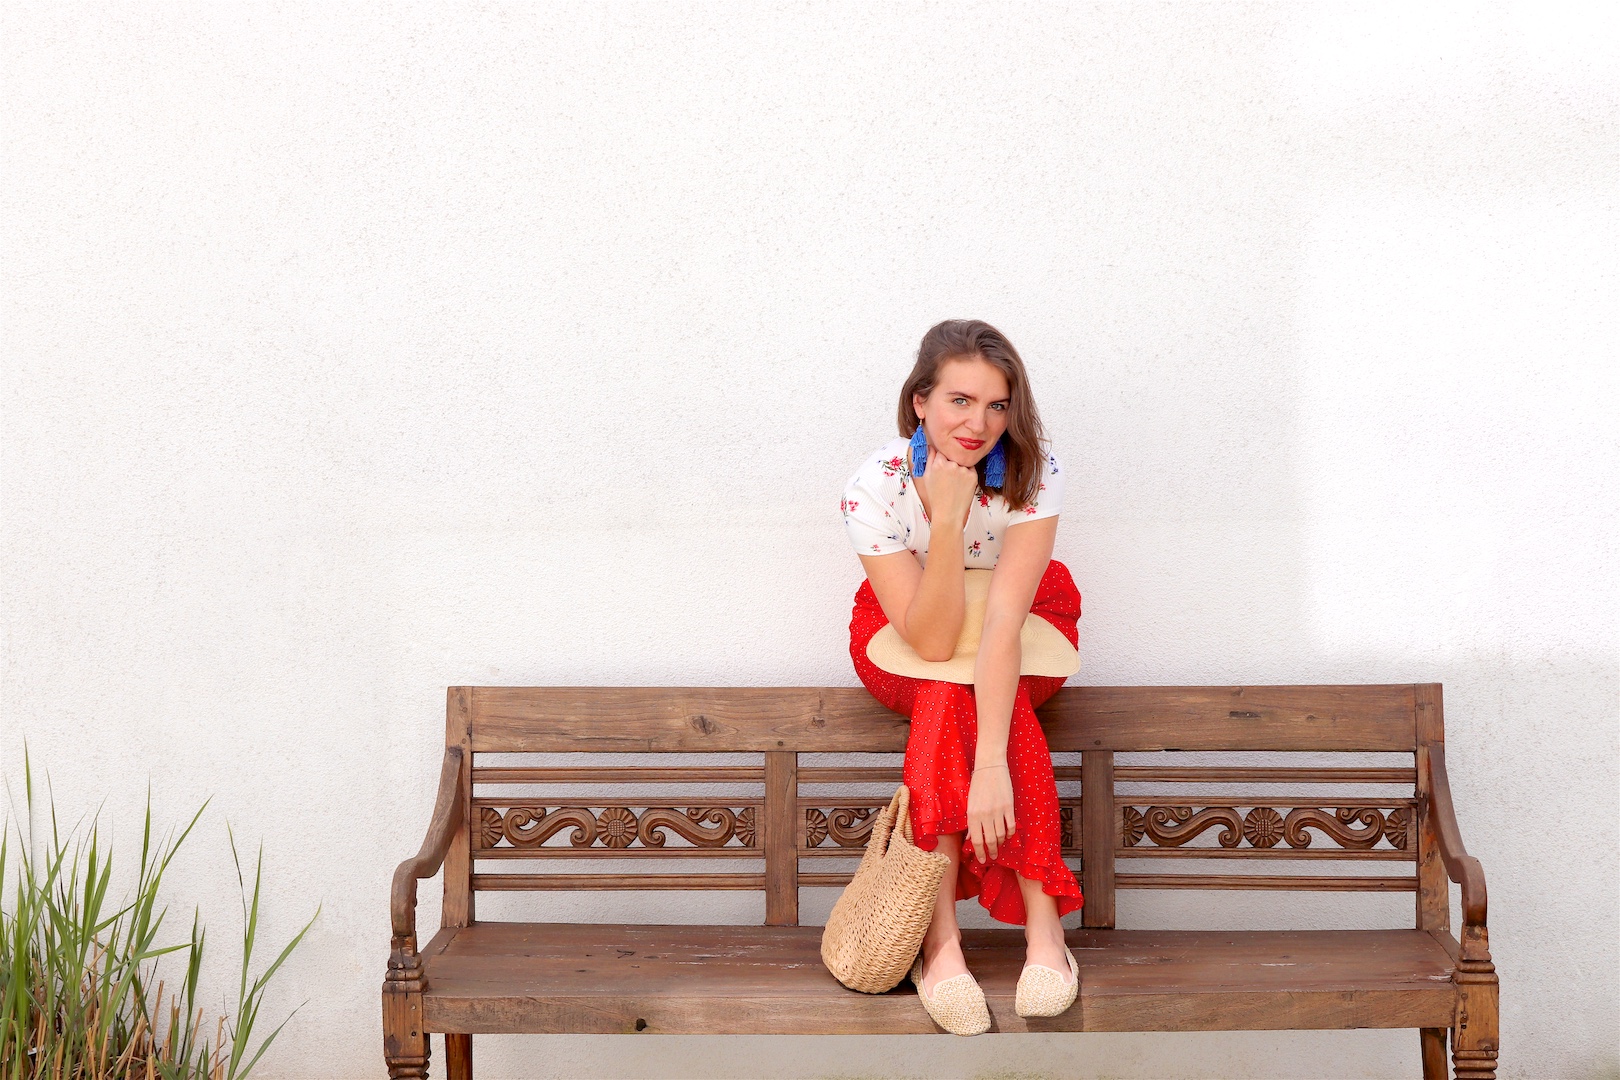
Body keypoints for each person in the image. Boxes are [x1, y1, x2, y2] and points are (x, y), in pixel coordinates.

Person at [841, 319, 1082, 1035]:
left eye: (998, 406)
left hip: (1029, 626)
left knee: (968, 692)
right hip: (903, 631)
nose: (980, 424)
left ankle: (989, 940)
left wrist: (990, 770)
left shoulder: (1037, 471)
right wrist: (946, 520)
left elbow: (1002, 625)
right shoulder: (873, 489)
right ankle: (983, 938)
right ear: (920, 401)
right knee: (948, 682)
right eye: (959, 402)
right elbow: (933, 637)